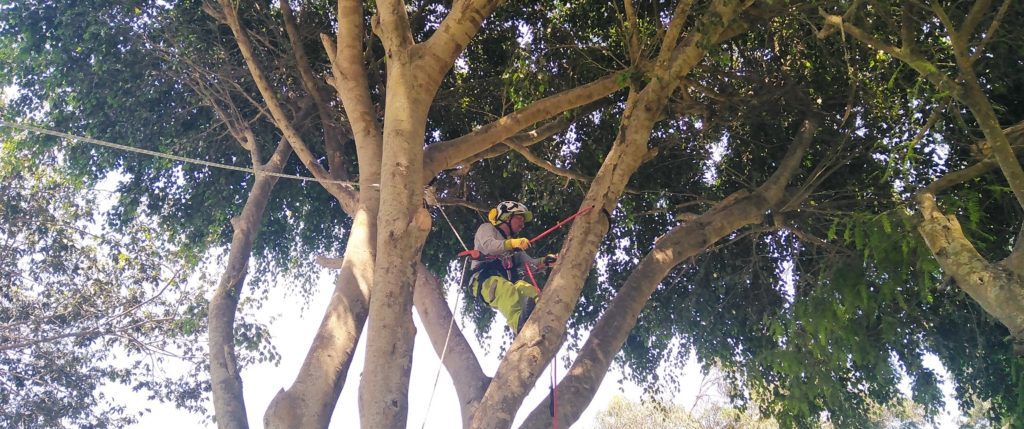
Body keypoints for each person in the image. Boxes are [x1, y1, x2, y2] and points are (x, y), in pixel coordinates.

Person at [469, 201, 556, 334]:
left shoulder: (515, 249)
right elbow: (490, 246)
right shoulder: (487, 228)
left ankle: (542, 313)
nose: (522, 224)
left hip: (505, 282)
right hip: (485, 280)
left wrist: (546, 261)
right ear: (507, 217)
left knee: (526, 288)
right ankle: (518, 324)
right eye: (519, 218)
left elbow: (530, 265)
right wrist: (513, 243)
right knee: (507, 290)